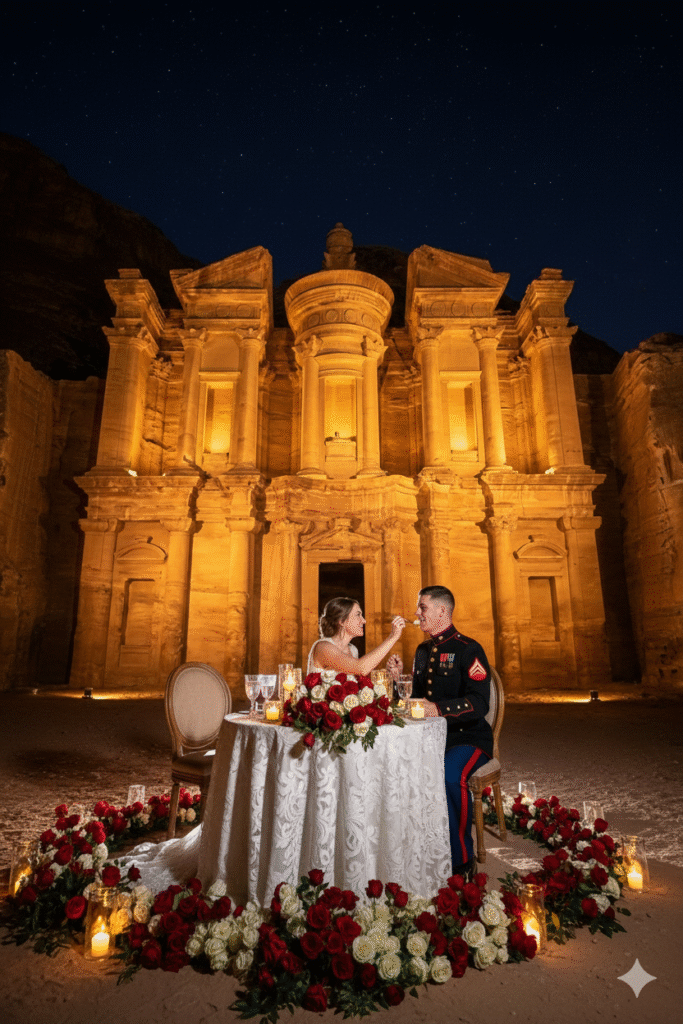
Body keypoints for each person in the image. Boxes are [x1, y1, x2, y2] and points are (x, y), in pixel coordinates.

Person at [388, 585, 493, 877]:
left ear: (441, 611)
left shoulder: (468, 649)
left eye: (422, 607)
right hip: (430, 740)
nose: (416, 613)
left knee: (449, 775)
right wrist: (398, 682)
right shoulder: (422, 651)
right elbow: (414, 701)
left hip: (467, 738)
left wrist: (439, 709)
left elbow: (479, 703)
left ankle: (461, 860)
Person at [308, 596, 405, 676]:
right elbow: (361, 669)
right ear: (341, 621)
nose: (364, 621)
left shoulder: (353, 650)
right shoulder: (323, 647)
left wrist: (389, 674)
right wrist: (393, 636)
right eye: (358, 615)